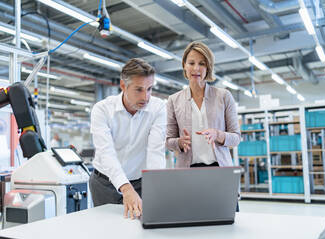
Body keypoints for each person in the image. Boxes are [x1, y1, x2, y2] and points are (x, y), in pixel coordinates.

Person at [89, 58, 166, 219]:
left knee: (141, 233)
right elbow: (106, 153)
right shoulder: (102, 110)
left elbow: (155, 152)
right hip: (105, 184)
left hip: (140, 183)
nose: (146, 97)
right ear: (123, 86)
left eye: (150, 89)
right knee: (107, 233)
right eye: (139, 90)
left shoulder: (158, 108)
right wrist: (126, 188)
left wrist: (157, 187)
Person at [166, 41, 240, 169]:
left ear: (208, 67)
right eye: (191, 63)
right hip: (188, 171)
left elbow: (236, 138)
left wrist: (217, 134)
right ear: (184, 65)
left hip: (220, 168)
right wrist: (179, 142)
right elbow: (168, 141)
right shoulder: (174, 100)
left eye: (202, 63)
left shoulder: (223, 96)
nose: (196, 68)